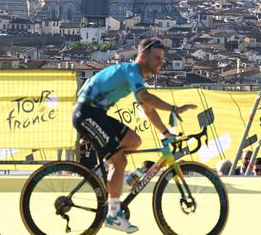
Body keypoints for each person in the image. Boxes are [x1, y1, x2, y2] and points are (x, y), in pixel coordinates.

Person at [73, 37, 196, 233]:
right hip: (87, 113)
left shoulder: (135, 76)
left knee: (134, 141)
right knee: (120, 161)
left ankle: (109, 168)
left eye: (162, 59)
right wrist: (174, 109)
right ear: (142, 56)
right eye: (156, 58)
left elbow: (147, 109)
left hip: (96, 113)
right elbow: (145, 97)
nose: (160, 63)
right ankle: (113, 215)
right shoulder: (131, 71)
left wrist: (165, 132)